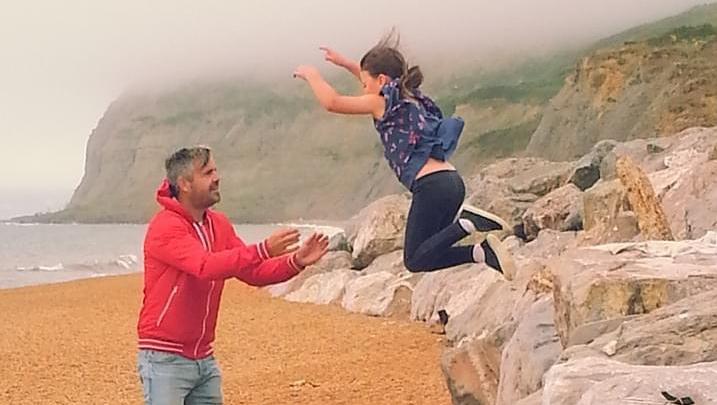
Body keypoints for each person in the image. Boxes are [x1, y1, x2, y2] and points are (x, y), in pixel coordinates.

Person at [293, 30, 516, 280]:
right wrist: (347, 64)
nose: (363, 90)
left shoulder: (381, 103)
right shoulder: (412, 97)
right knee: (428, 252)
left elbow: (332, 102)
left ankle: (467, 222)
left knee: (414, 259)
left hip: (431, 187)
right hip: (451, 183)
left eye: (365, 84)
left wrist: (312, 75)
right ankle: (482, 252)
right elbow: (375, 82)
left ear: (381, 81)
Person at [136, 146, 329, 405]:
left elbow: (254, 272)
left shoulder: (219, 224)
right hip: (164, 358)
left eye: (215, 170)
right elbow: (205, 266)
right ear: (184, 184)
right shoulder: (165, 226)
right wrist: (262, 248)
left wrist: (296, 261)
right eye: (207, 173)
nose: (217, 177)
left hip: (204, 358)